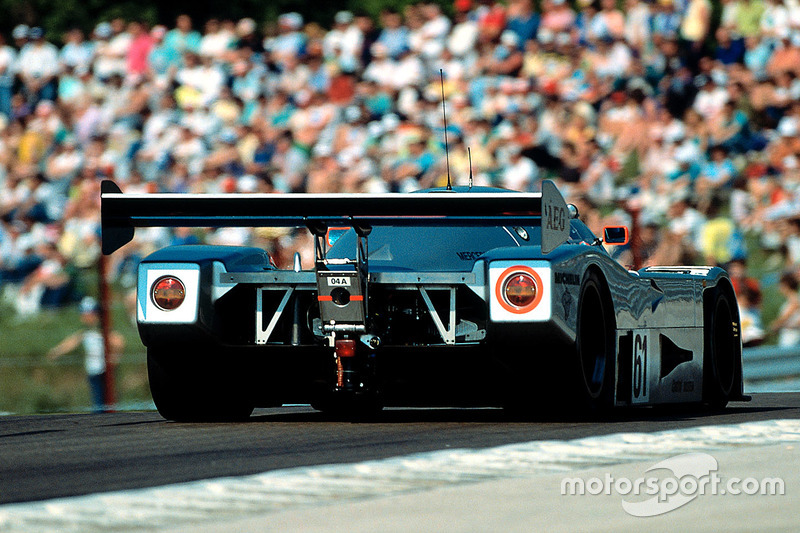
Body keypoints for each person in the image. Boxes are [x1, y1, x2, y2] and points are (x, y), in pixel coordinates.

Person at [47, 297, 124, 412]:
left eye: (88, 314)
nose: (84, 317)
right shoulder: (86, 332)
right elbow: (72, 342)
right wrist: (56, 352)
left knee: (105, 403)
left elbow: (118, 342)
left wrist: (114, 359)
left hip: (104, 372)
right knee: (98, 402)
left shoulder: (103, 331)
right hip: (93, 371)